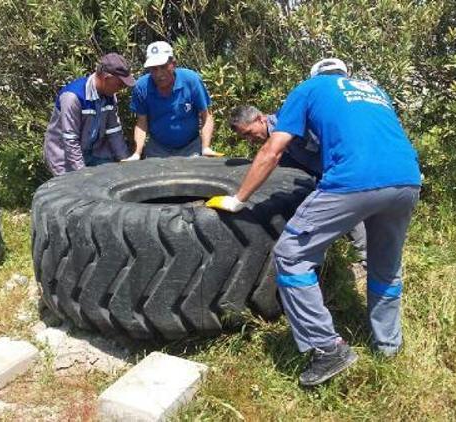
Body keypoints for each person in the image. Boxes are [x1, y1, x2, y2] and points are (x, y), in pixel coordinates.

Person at [208, 59, 422, 386]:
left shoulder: (308, 89)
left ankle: (327, 349)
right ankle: (389, 348)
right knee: (386, 266)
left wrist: (239, 199)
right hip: (407, 179)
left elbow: (273, 149)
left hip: (353, 179)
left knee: (291, 255)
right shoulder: (374, 90)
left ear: (314, 76)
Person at [228, 105, 368, 266]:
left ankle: (366, 257)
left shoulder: (289, 122)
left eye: (249, 133)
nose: (250, 140)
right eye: (244, 137)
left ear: (261, 119)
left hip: (339, 170)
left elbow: (325, 141)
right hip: (320, 174)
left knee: (348, 208)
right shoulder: (276, 139)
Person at [124, 41, 222, 160]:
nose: (159, 74)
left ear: (173, 64)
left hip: (191, 147)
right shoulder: (142, 87)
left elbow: (206, 116)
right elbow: (141, 123)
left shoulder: (191, 80)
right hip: (157, 149)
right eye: (154, 69)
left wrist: (205, 147)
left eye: (163, 67)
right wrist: (137, 153)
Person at [43, 53, 136, 176]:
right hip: (64, 157)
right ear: (106, 78)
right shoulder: (73, 97)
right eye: (120, 84)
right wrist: (83, 175)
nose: (122, 88)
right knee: (79, 191)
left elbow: (114, 131)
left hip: (94, 153)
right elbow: (70, 141)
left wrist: (126, 163)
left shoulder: (110, 96)